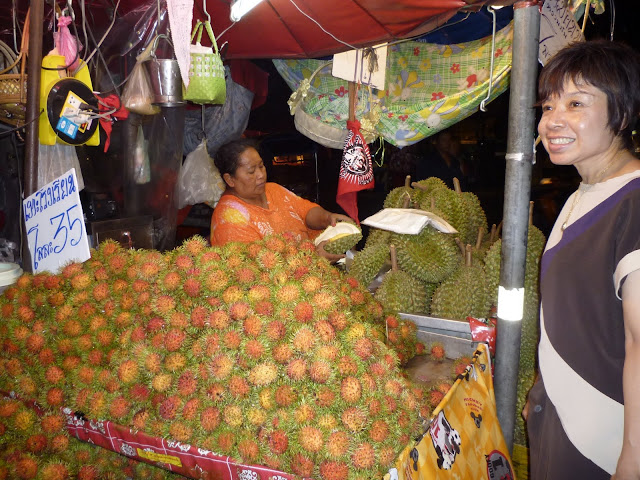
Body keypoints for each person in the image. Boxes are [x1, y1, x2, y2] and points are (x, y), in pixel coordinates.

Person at [524, 40, 640, 480]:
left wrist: (633, 458)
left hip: (605, 443)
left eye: (576, 103)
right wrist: (543, 388)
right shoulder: (582, 195)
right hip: (562, 424)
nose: (553, 120)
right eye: (549, 105)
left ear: (622, 115)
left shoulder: (633, 204)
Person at [210, 138, 353, 262]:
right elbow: (257, 271)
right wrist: (314, 257)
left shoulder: (272, 189)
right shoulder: (229, 219)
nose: (260, 175)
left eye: (261, 166)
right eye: (251, 171)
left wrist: (327, 218)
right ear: (230, 179)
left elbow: (306, 211)